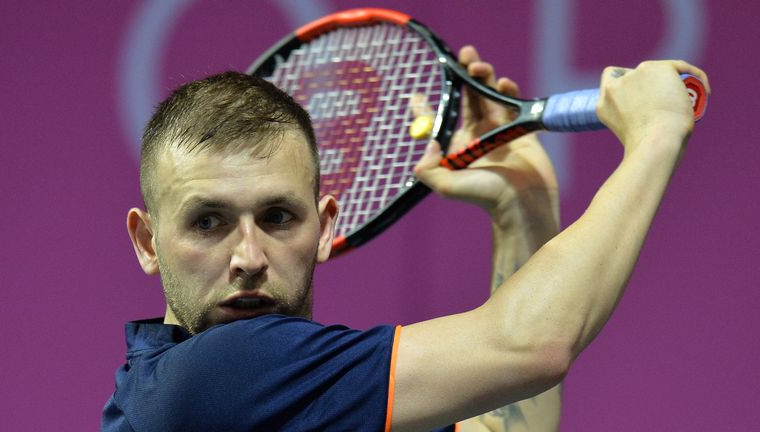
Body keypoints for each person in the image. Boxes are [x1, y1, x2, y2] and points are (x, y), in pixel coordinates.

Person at [101, 43, 708, 431]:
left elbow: (502, 426)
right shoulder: (213, 380)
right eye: (207, 222)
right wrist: (655, 135)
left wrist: (523, 209)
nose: (249, 258)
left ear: (326, 226)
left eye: (278, 217)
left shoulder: (299, 398)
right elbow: (531, 348)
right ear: (147, 242)